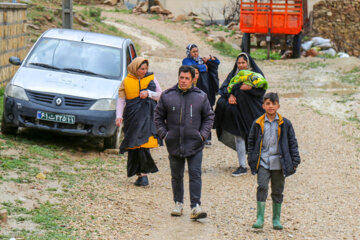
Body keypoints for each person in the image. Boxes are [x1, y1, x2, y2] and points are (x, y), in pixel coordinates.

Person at [154, 65, 214, 220]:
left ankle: (195, 206)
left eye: (187, 78)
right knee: (176, 175)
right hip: (174, 143)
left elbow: (209, 116)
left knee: (195, 174)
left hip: (195, 144)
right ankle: (178, 203)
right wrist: (164, 134)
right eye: (181, 77)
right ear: (178, 77)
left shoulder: (201, 96)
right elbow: (158, 116)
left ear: (193, 78)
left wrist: (202, 135)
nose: (184, 81)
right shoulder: (167, 95)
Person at [247, 92, 301, 230]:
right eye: (268, 104)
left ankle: (276, 219)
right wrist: (252, 159)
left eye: (273, 104)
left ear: (278, 105)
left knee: (277, 190)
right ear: (263, 106)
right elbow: (251, 142)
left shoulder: (285, 124)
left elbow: (292, 142)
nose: (271, 106)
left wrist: (295, 161)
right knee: (262, 186)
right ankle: (260, 218)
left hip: (279, 163)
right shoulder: (258, 123)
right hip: (263, 161)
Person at [214, 52, 266, 177]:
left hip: (252, 111)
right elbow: (223, 89)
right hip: (237, 112)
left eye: (243, 62)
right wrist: (230, 95)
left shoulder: (256, 75)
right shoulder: (234, 75)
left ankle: (260, 164)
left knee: (256, 136)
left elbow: (262, 90)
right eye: (239, 63)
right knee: (239, 136)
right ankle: (242, 166)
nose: (241, 65)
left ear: (248, 62)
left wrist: (251, 89)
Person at [116, 57, 162, 187]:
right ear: (134, 68)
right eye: (141, 69)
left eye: (146, 68)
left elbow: (161, 95)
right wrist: (119, 116)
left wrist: (148, 93)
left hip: (147, 116)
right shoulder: (126, 81)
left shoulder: (151, 78)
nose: (144, 71)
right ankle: (140, 175)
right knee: (133, 145)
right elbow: (121, 100)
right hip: (132, 117)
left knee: (143, 144)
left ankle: (143, 175)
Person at [182, 44, 220, 145]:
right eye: (193, 52)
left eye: (197, 51)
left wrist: (210, 57)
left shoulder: (201, 60)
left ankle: (207, 137)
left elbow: (217, 62)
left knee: (207, 113)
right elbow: (191, 68)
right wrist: (203, 66)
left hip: (206, 90)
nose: (196, 54)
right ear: (188, 52)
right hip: (193, 90)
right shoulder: (186, 61)